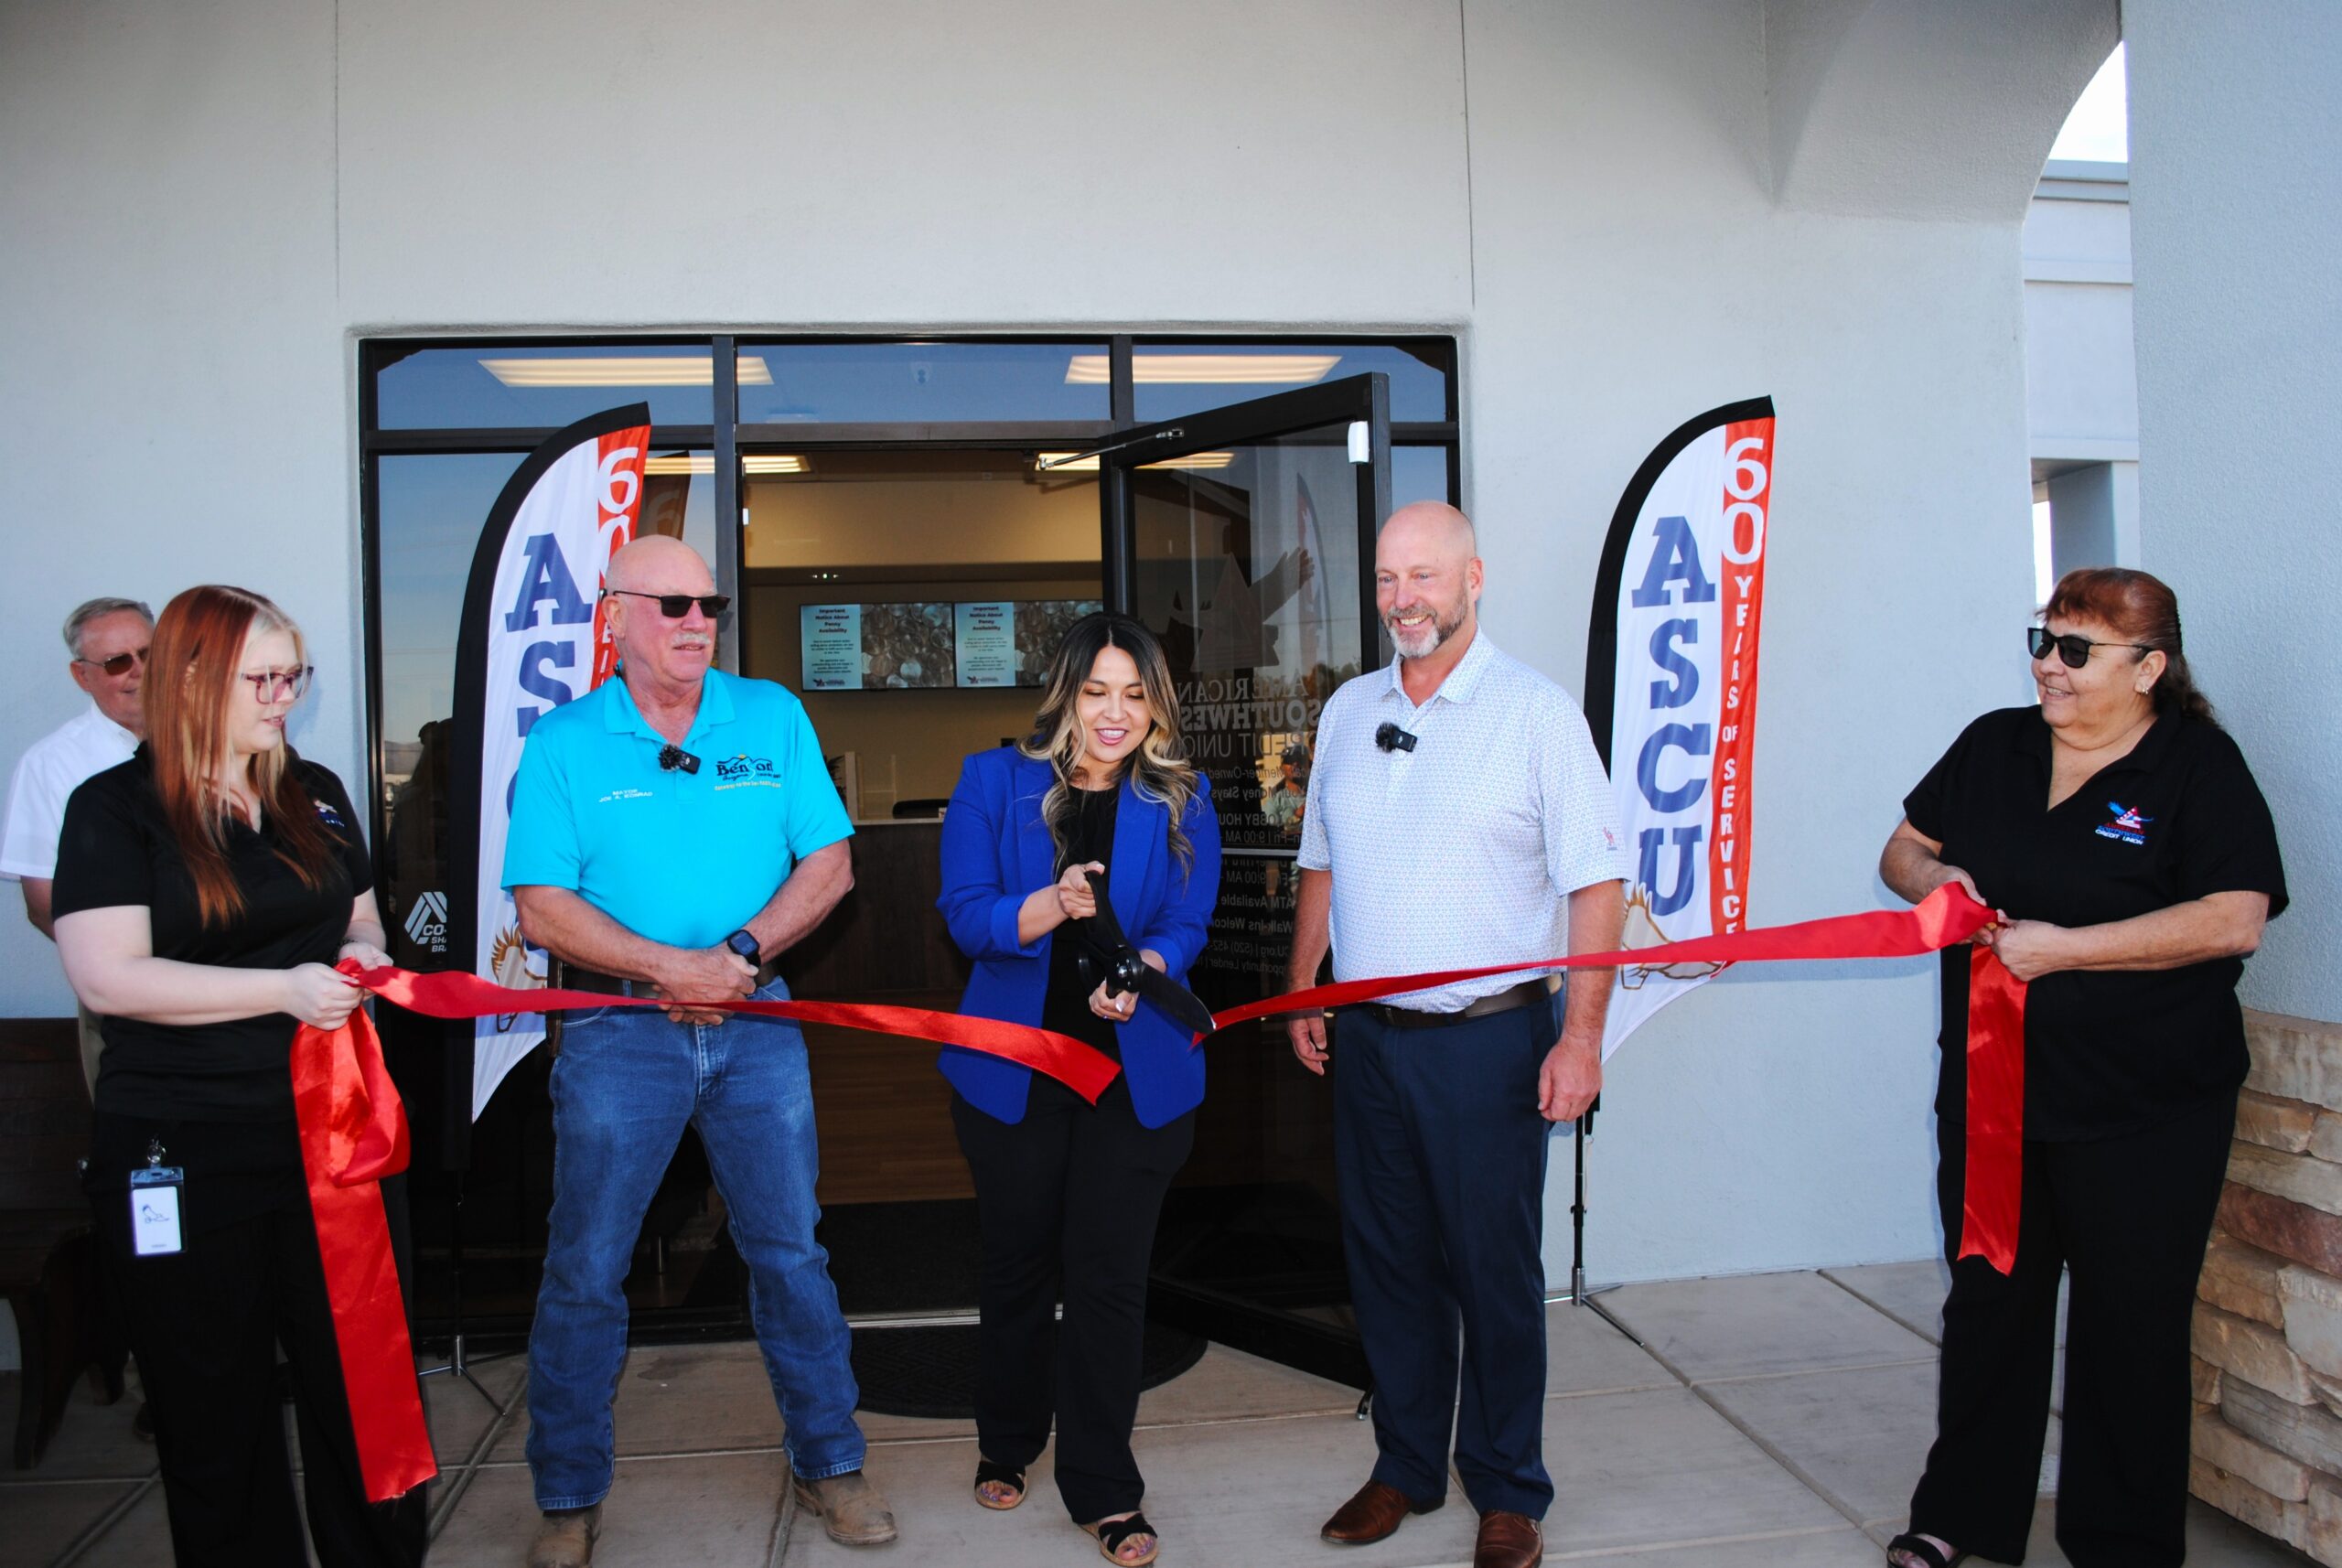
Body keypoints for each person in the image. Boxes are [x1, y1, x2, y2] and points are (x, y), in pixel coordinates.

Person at [1882, 567, 2285, 1568]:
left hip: (2145, 1105)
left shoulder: (2196, 766)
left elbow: (2236, 915)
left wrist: (2067, 948)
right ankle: (1963, 1515)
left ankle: (2118, 1541)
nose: (2044, 666)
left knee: (2128, 1322)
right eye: (2040, 639)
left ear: (2148, 668)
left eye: (2074, 650)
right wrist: (1939, 879)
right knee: (1990, 1301)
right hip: (1993, 1089)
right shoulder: (1993, 742)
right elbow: (1900, 850)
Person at [503, 534, 894, 1567]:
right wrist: (668, 969)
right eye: (671, 604)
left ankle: (830, 1463)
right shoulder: (564, 744)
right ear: (615, 615)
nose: (695, 622)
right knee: (586, 1266)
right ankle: (569, 1496)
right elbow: (541, 910)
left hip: (756, 1022)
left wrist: (738, 955)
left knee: (791, 1252)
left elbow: (832, 864)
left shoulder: (768, 715)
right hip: (617, 1035)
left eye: (708, 604)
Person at [50, 585, 429, 1567]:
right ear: (190, 679)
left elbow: (357, 914)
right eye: (263, 678)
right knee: (212, 1400)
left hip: (329, 1130)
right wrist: (279, 990)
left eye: (293, 674)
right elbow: (108, 975)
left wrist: (358, 958)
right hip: (186, 1142)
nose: (284, 697)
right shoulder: (113, 809)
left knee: (361, 1379)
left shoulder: (312, 788)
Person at [1285, 502, 1625, 1568]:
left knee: (1491, 1269)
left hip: (1488, 1042)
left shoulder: (1534, 713)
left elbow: (1597, 885)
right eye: (1387, 580)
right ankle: (1404, 1467)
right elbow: (1320, 864)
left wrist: (1580, 1037)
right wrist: (1304, 984)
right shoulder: (1347, 709)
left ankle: (1509, 1487)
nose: (1403, 601)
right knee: (1386, 1261)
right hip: (1369, 1043)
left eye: (1423, 577)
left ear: (1473, 576)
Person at [936, 612, 1221, 1568]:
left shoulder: (1182, 797)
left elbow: (1189, 918)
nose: (1115, 713)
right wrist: (1049, 905)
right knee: (1017, 1264)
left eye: (1135, 694)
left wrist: (1140, 967)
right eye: (1097, 690)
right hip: (1015, 1073)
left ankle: (1103, 1489)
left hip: (1133, 1079)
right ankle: (1006, 1437)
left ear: (1157, 705)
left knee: (1108, 1279)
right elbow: (966, 916)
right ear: (1065, 693)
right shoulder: (995, 782)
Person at [3, 596, 153, 1091]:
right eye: (116, 662)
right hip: (122, 1001)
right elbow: (43, 903)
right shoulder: (51, 766)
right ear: (81, 675)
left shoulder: (218, 745)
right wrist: (129, 973)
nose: (138, 672)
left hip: (229, 983)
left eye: (148, 653)